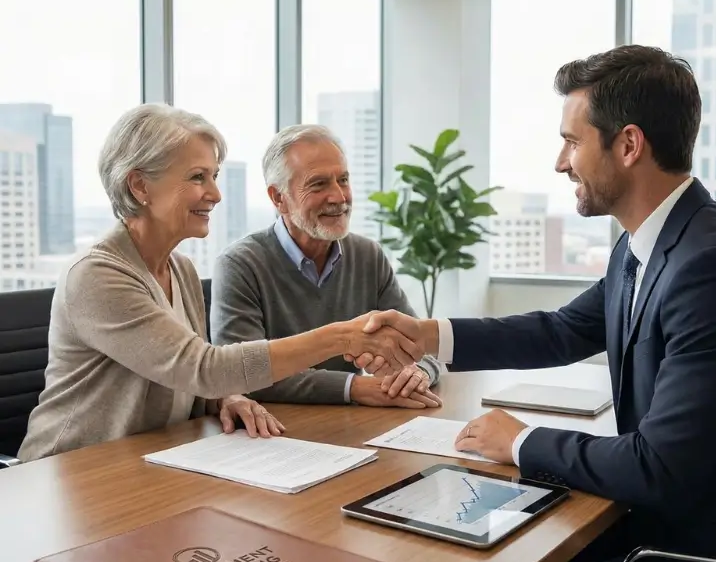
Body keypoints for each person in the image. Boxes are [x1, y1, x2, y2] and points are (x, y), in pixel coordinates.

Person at [352, 46, 716, 562]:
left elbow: (659, 467)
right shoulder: (649, 243)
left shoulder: (712, 267)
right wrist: (428, 334)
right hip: (670, 531)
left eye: (571, 141)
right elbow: (563, 330)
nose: (561, 162)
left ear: (628, 145)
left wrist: (523, 440)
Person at [17, 105, 421, 462]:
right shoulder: (97, 275)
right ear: (139, 186)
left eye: (213, 176)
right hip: (68, 473)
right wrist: (340, 338)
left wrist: (225, 398)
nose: (215, 193)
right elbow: (205, 367)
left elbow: (184, 376)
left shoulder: (181, 269)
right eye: (197, 177)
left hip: (148, 460)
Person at [210, 124, 443, 409]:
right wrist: (353, 388)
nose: (339, 197)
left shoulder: (367, 255)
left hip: (349, 428)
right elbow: (240, 374)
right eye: (318, 184)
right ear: (278, 198)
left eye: (343, 180)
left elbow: (419, 344)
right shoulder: (239, 265)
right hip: (276, 434)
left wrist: (416, 374)